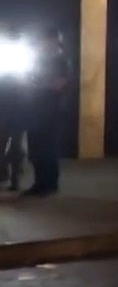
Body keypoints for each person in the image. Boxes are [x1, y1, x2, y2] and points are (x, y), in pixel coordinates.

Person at [24, 27, 70, 197]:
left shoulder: (61, 61)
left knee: (48, 148)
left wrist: (39, 83)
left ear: (54, 41)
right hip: (36, 109)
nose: (42, 44)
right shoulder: (39, 60)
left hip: (52, 110)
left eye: (46, 40)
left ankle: (49, 184)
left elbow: (59, 85)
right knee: (36, 148)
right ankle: (39, 183)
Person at [0, 22, 28, 192]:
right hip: (6, 101)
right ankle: (5, 174)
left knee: (16, 144)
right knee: (4, 142)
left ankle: (15, 177)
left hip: (17, 104)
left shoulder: (23, 54)